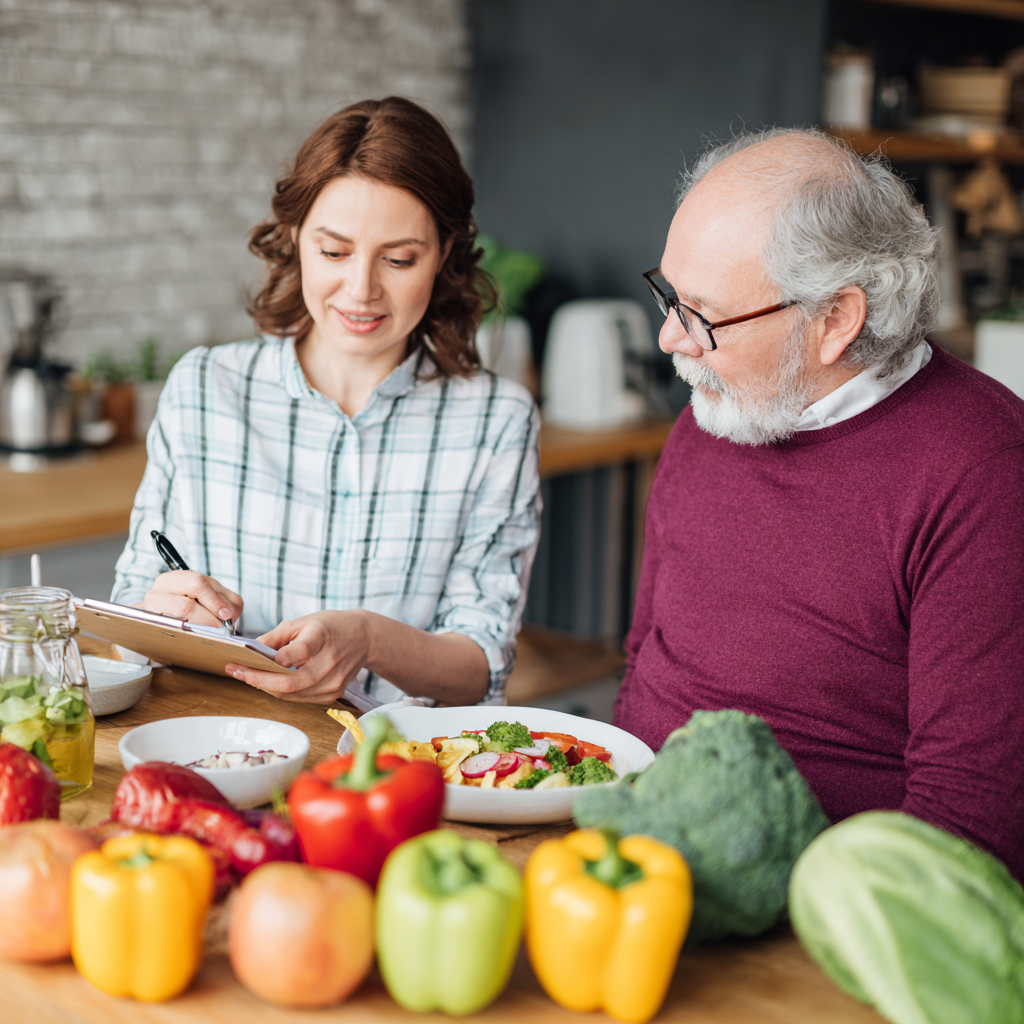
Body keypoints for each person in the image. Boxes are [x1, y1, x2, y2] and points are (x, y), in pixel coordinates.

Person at [615, 128, 1024, 879]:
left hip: (812, 915)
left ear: (836, 319)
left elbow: (971, 817)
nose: (670, 337)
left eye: (701, 314)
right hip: (631, 858)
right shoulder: (717, 411)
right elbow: (645, 658)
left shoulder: (986, 472)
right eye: (669, 294)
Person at [112, 97, 540, 708]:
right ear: (295, 238)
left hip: (393, 777)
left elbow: (480, 669)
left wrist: (370, 640)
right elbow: (130, 609)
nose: (360, 290)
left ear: (444, 252)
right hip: (220, 751)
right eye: (334, 252)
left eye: (398, 259)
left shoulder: (496, 421)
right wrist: (159, 616)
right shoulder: (205, 388)